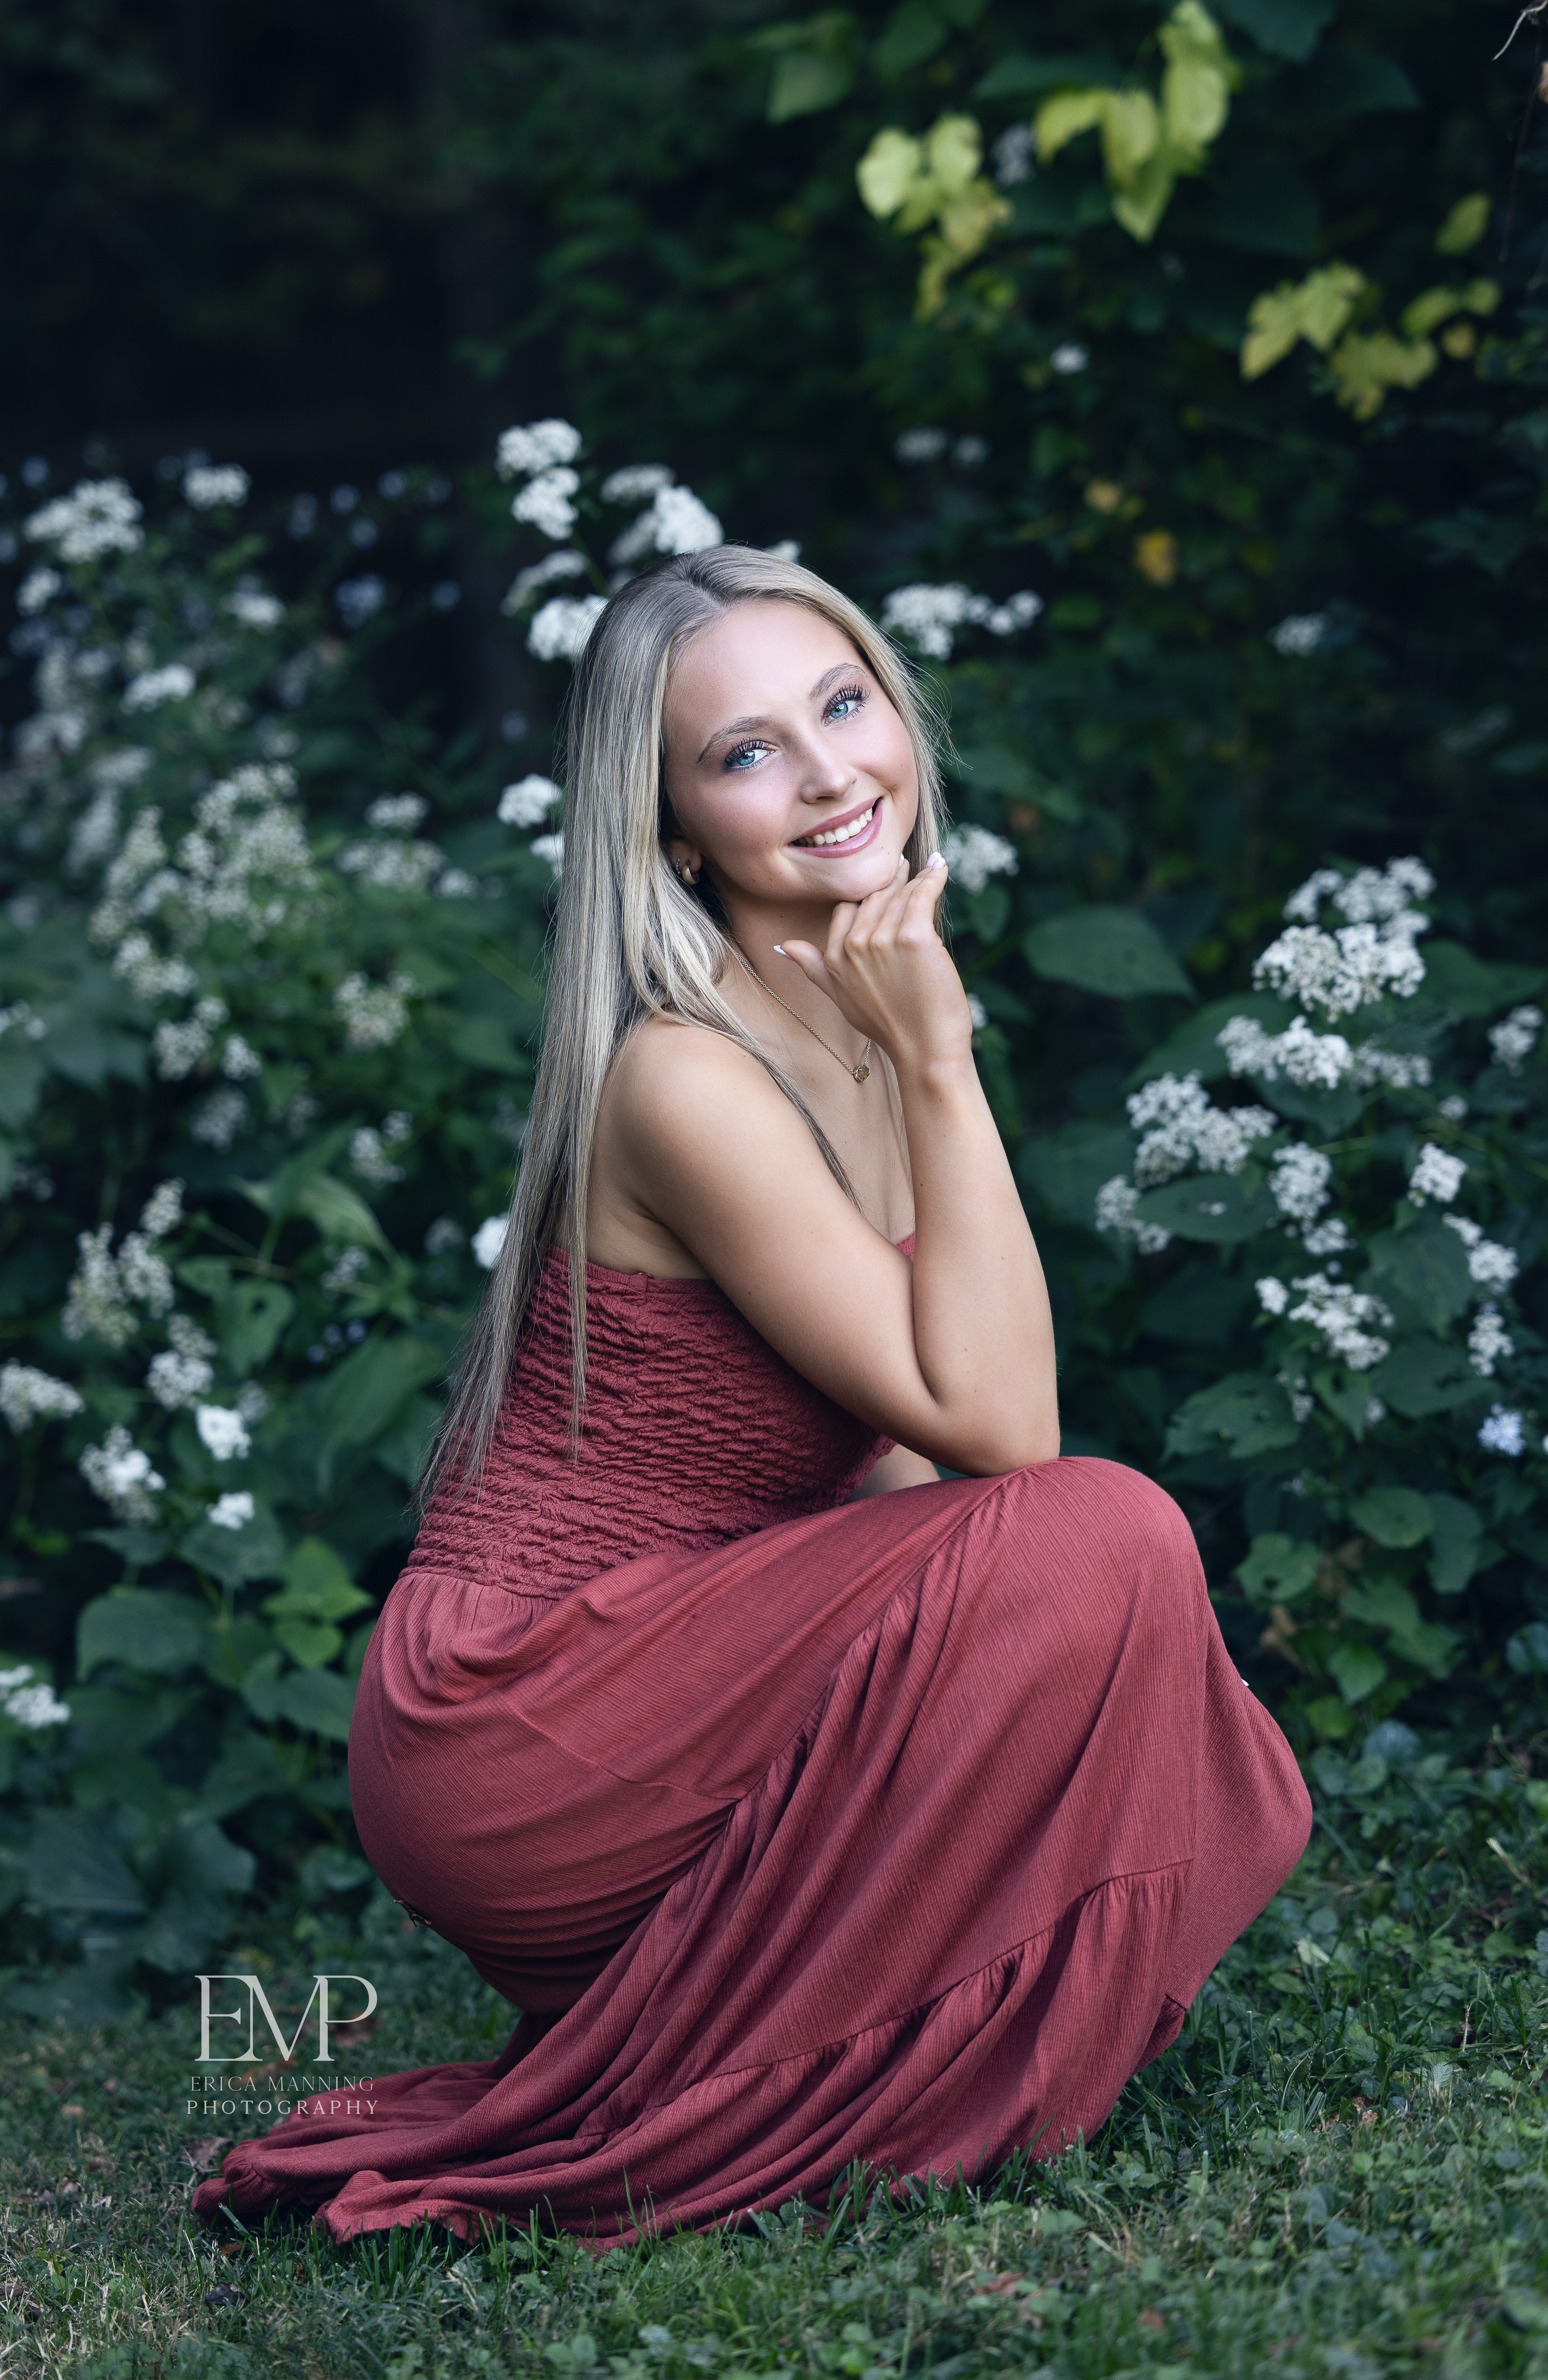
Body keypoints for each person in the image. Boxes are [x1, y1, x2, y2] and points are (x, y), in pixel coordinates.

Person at [194, 546, 1311, 2245]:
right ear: (673, 826)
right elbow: (1003, 1434)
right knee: (1100, 1528)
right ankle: (814, 2067)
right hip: (518, 1716)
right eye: (744, 753)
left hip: (675, 1667)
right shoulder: (684, 1072)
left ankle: (818, 2023)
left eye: (841, 704)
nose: (825, 772)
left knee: (1074, 1556)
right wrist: (941, 1054)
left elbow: (914, 1475)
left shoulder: (853, 1013)